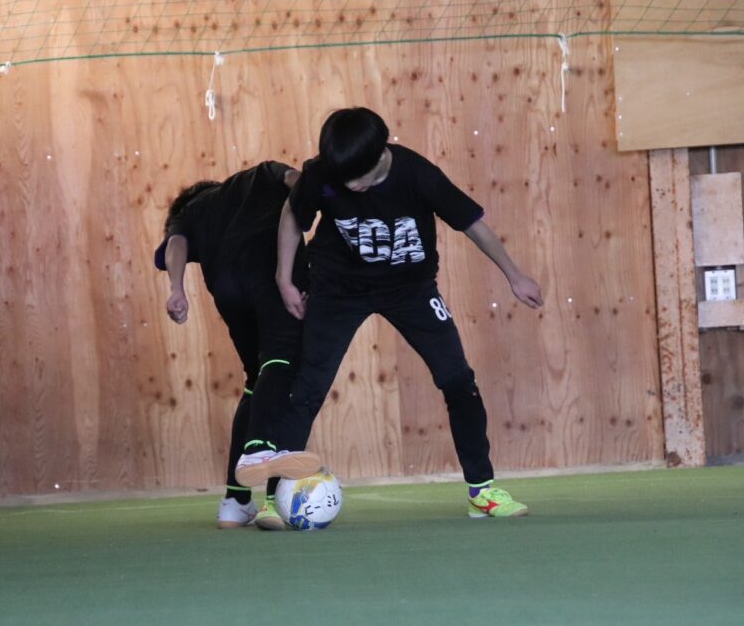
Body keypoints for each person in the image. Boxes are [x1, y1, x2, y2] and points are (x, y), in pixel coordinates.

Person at [273, 107, 544, 518]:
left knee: (458, 380)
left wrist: (515, 275)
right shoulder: (323, 172)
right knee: (307, 387)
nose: (349, 186)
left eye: (357, 178)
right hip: (337, 288)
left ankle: (482, 491)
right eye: (343, 179)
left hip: (410, 289)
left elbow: (472, 224)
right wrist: (284, 278)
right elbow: (293, 215)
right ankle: (276, 497)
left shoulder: (418, 175)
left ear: (381, 153)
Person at [155, 161, 321, 530]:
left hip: (227, 289)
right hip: (271, 272)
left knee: (257, 378)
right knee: (283, 360)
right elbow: (299, 181)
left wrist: (177, 290)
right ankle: (258, 449)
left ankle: (235, 501)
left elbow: (175, 244)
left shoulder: (191, 213)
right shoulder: (262, 173)